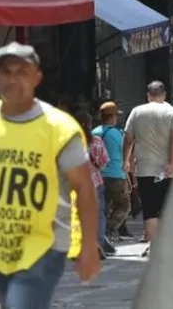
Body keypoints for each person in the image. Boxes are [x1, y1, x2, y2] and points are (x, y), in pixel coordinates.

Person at [0, 42, 100, 308]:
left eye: (23, 72)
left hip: (42, 247)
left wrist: (88, 246)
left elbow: (84, 189)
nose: (14, 79)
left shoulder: (60, 128)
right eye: (7, 72)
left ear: (37, 78)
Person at [123, 81, 173, 257]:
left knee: (150, 210)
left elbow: (128, 139)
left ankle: (155, 247)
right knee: (167, 209)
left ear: (148, 96)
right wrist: (172, 162)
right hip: (170, 171)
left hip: (146, 169)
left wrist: (126, 160)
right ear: (164, 95)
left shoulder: (137, 112)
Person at [76, 110, 115, 257]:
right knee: (98, 215)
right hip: (95, 183)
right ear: (90, 124)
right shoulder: (97, 141)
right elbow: (104, 164)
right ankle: (97, 245)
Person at [92, 102, 130, 243]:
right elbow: (125, 151)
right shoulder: (118, 133)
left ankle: (101, 233)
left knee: (104, 208)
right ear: (113, 117)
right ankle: (108, 230)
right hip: (116, 175)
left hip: (98, 176)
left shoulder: (94, 132)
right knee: (124, 205)